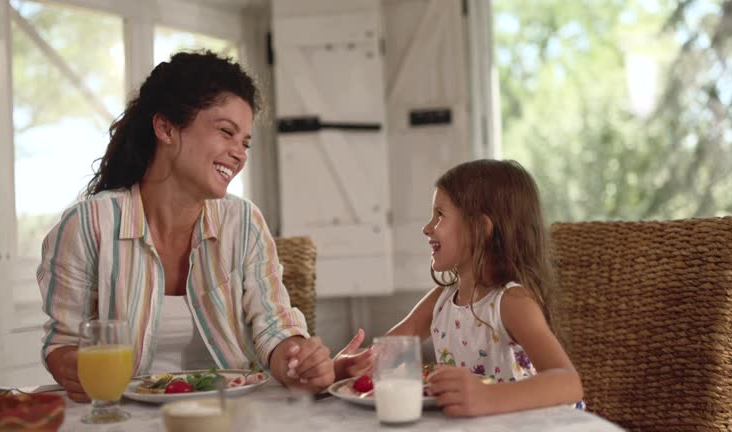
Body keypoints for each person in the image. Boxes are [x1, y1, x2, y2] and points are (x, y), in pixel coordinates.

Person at [38, 51, 334, 402]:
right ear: (165, 127)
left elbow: (274, 326)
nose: (239, 153)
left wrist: (296, 359)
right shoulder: (88, 226)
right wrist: (71, 365)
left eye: (245, 142)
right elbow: (64, 342)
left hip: (232, 414)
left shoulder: (245, 223)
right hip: (124, 416)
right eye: (226, 132)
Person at [337, 159, 584, 417]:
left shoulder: (512, 302)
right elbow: (392, 349)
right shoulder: (443, 299)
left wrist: (489, 397)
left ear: (480, 229)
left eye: (440, 215)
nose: (427, 227)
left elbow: (569, 383)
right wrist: (346, 368)